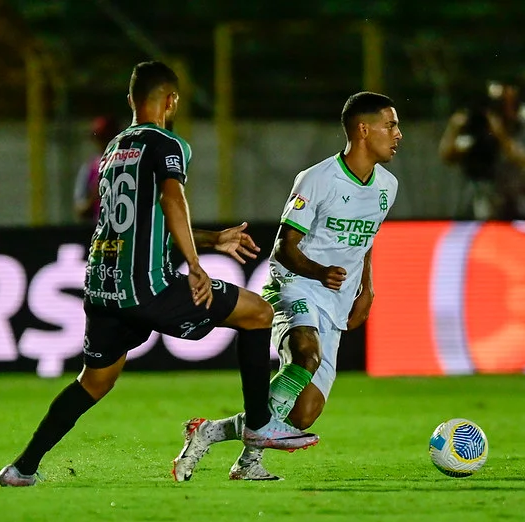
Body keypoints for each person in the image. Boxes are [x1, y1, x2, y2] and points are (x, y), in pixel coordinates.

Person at [0, 61, 318, 487]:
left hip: (103, 286)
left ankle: (22, 467)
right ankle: (260, 422)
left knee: (94, 382)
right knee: (257, 313)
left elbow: (143, 226)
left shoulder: (113, 149)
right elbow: (171, 199)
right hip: (147, 287)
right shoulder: (167, 143)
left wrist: (212, 238)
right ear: (172, 101)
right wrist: (196, 264)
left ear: (131, 100)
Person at [172, 91, 402, 481]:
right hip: (295, 284)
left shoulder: (387, 186)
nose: (399, 134)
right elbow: (284, 247)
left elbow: (366, 241)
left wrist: (368, 290)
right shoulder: (317, 179)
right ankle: (250, 460)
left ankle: (212, 435)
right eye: (391, 125)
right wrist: (318, 271)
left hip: (338, 299)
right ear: (364, 130)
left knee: (305, 412)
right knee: (305, 356)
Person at [438, 80, 525, 220]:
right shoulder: (480, 129)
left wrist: (501, 136)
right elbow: (448, 155)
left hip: (524, 208)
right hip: (487, 208)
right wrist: (454, 129)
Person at [73, 116, 121, 223]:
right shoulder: (90, 167)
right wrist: (94, 196)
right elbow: (80, 209)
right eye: (101, 137)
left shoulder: (128, 161)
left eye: (107, 137)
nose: (104, 142)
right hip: (99, 229)